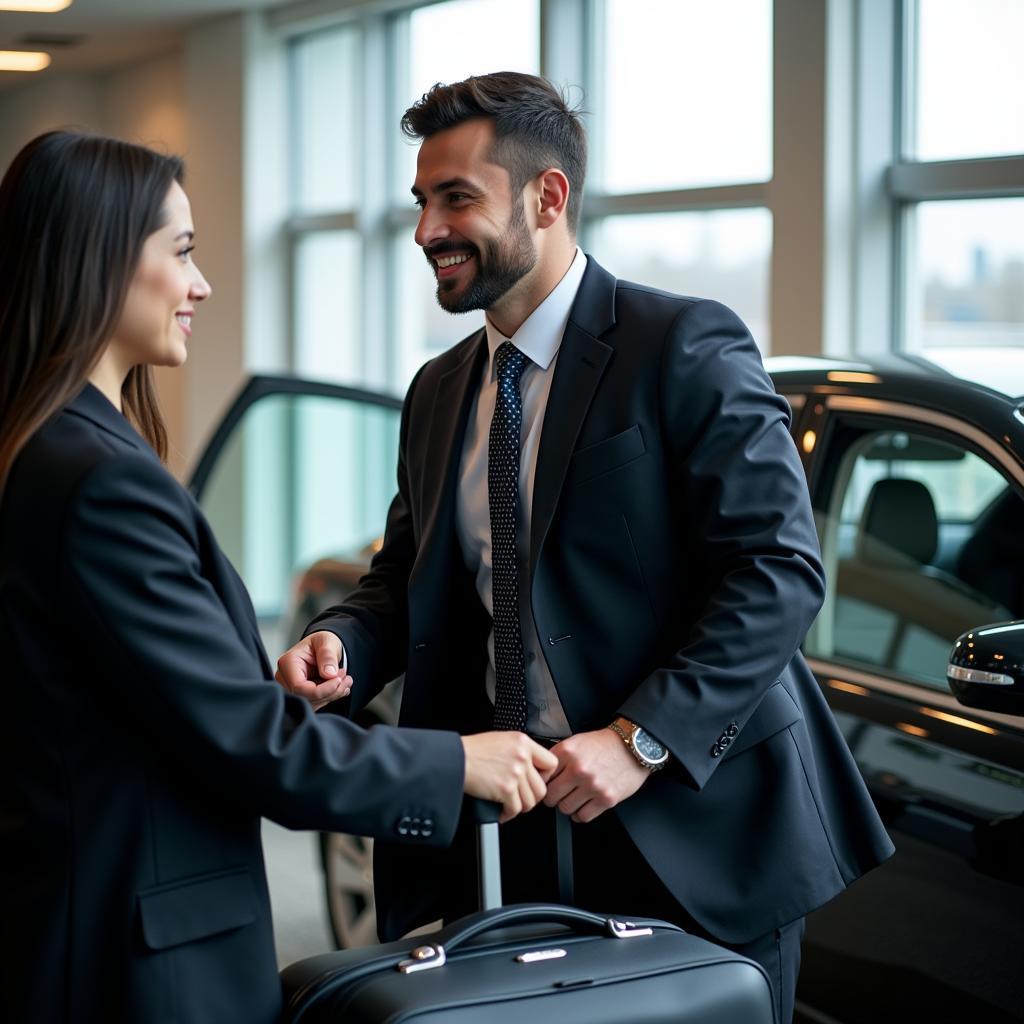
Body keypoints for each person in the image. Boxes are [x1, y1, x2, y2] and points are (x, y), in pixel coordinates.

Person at [276, 72, 895, 1023]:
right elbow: (405, 581)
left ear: (547, 196)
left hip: (685, 817)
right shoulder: (440, 391)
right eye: (421, 202)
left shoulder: (683, 344)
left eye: (456, 199)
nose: (426, 231)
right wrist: (344, 646)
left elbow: (778, 573)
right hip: (505, 827)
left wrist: (638, 741)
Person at [0, 130, 557, 1024]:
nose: (201, 284)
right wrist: (457, 761)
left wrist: (254, 685)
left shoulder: (50, 448)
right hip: (129, 958)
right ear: (98, 262)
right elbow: (251, 749)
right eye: (180, 253)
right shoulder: (94, 478)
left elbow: (129, 702)